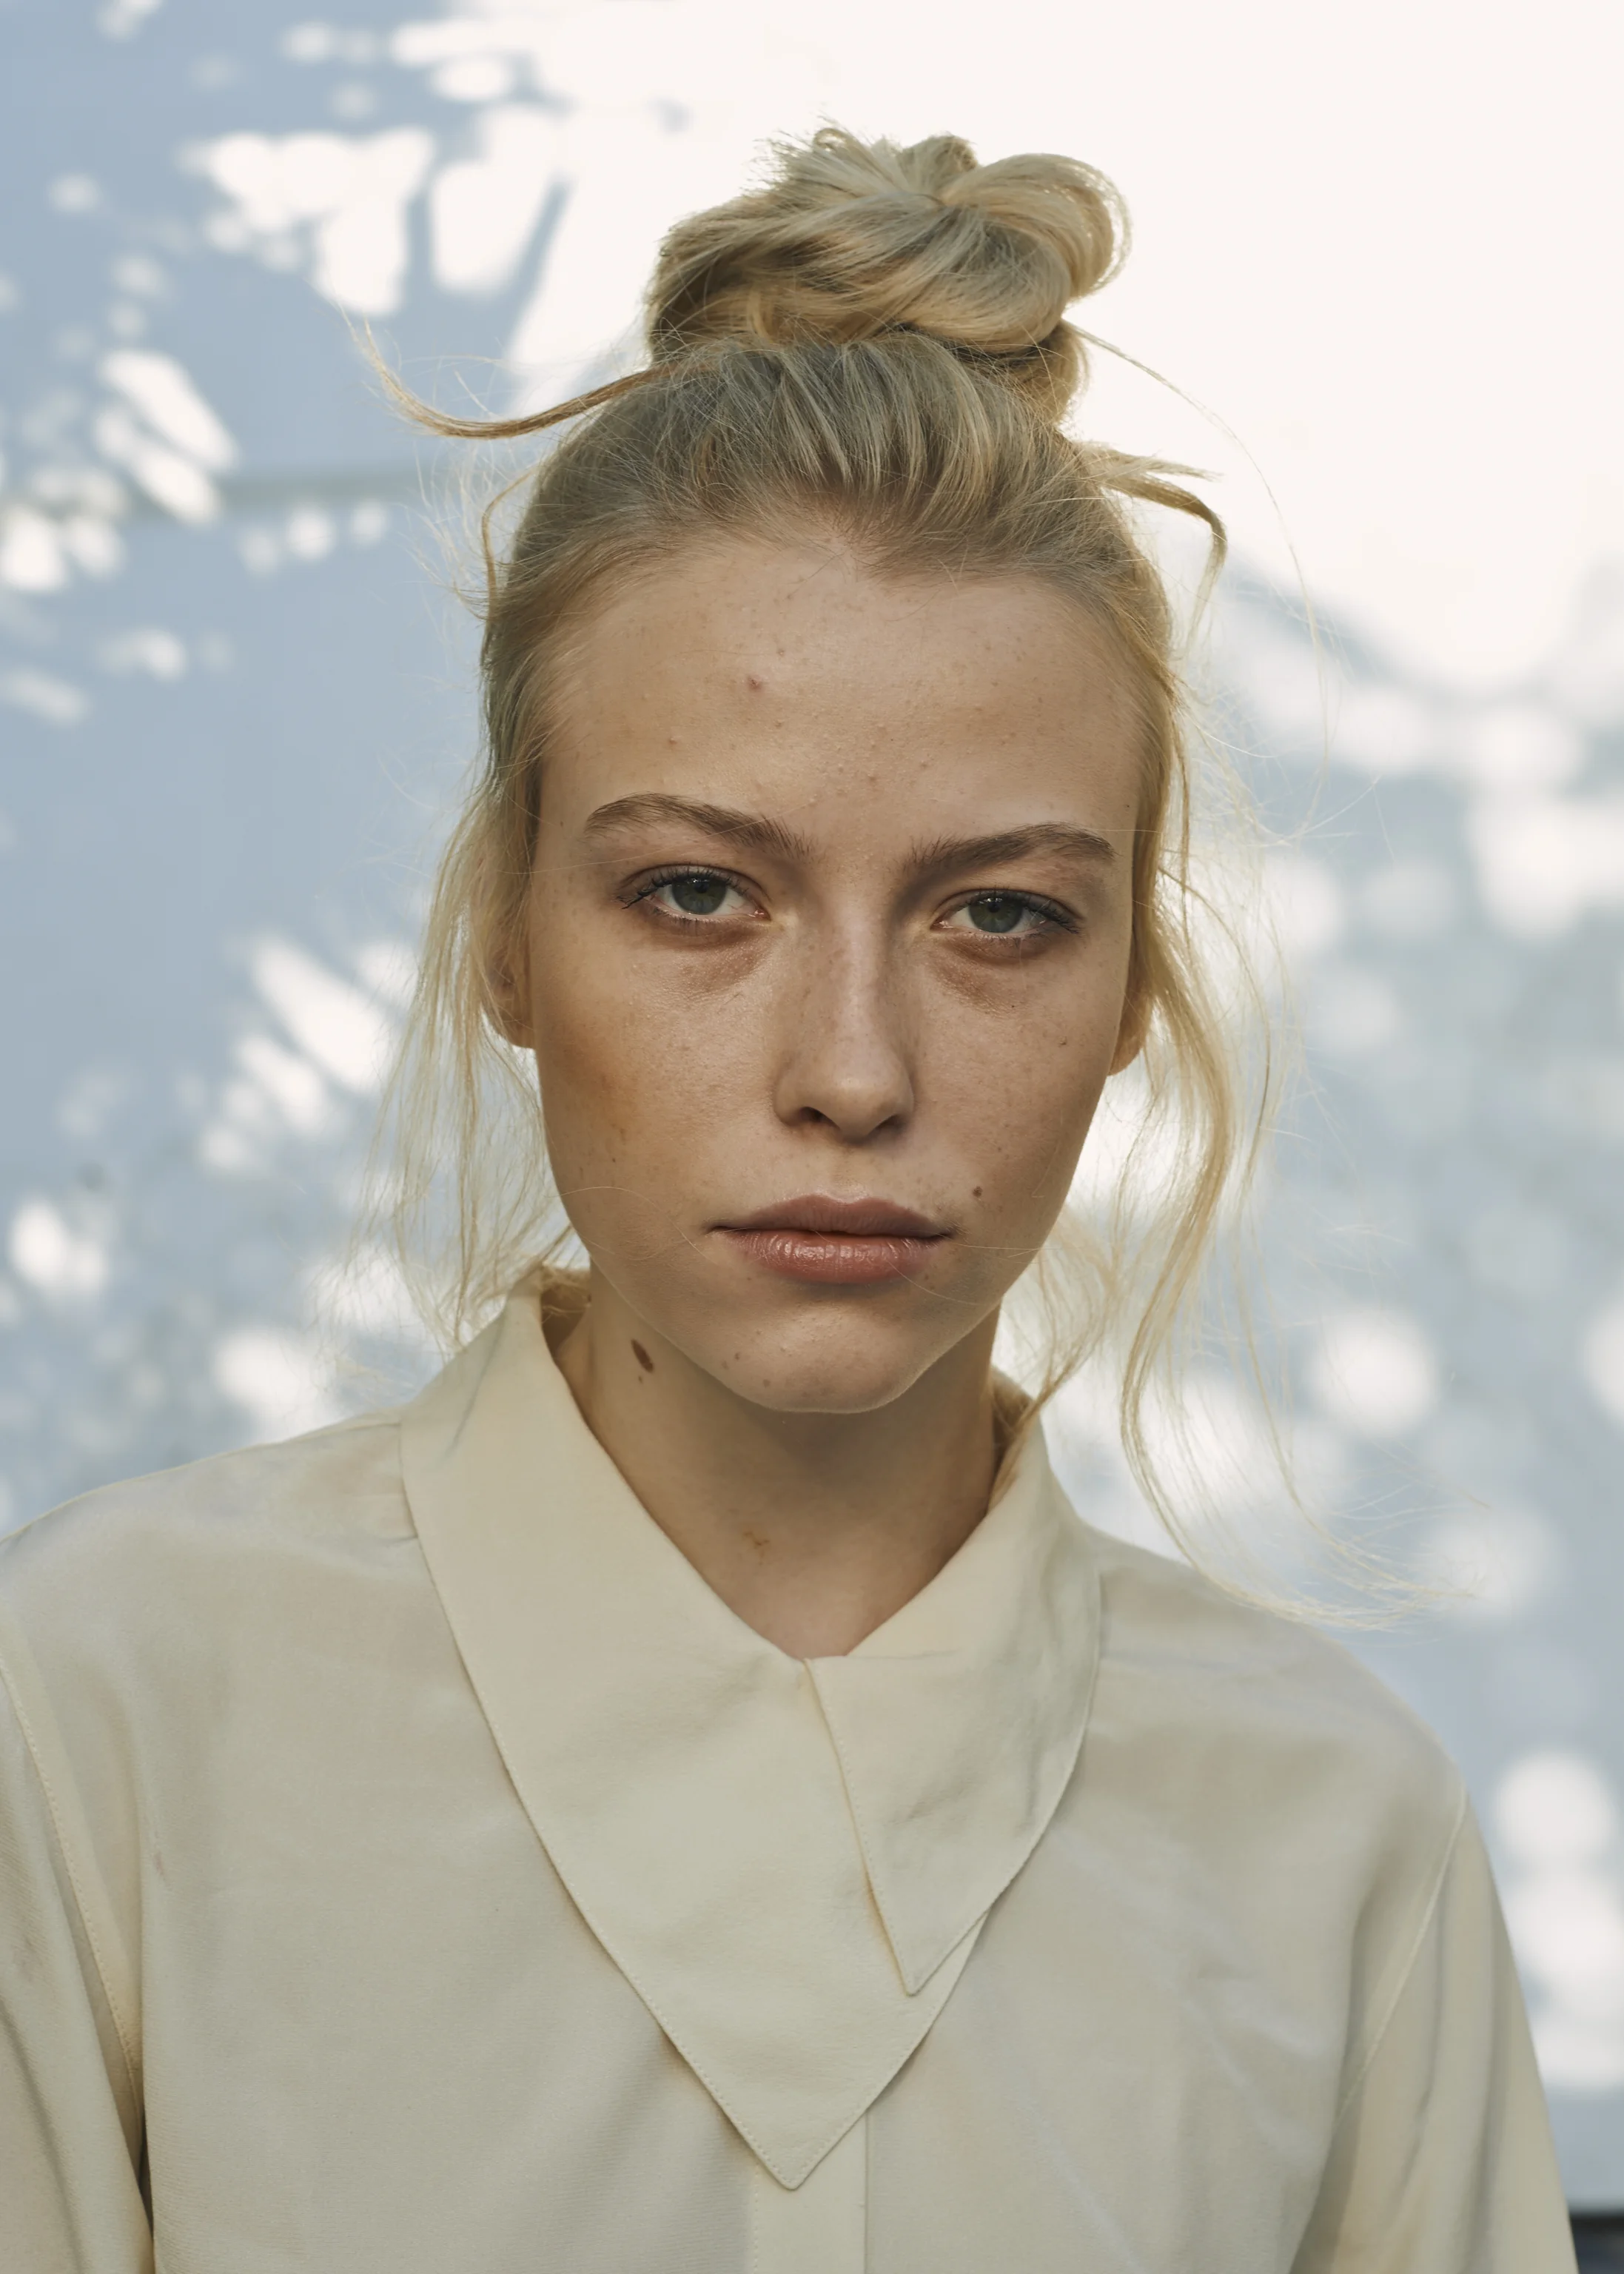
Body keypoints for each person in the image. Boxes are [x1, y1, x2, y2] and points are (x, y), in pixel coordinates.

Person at [0, 129, 1577, 2273]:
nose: (852, 1071)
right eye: (697, 894)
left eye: (1000, 914)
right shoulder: (96, 1715)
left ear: (1135, 981)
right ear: (507, 932)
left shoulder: (1335, 1837)